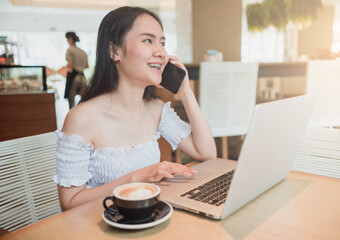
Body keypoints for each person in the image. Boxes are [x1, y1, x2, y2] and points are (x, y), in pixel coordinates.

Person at [53, 6, 217, 211]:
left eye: (162, 42)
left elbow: (207, 153)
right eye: (148, 40)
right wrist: (135, 178)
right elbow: (69, 203)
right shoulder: (81, 118)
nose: (161, 52)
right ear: (115, 51)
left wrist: (185, 92)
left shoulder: (156, 109)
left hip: (146, 220)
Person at [59, 32, 89, 109]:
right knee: (84, 101)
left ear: (70, 39)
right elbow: (86, 66)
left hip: (74, 78)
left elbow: (70, 65)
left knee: (71, 101)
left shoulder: (69, 50)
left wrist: (63, 68)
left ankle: (72, 117)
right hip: (82, 78)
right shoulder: (83, 52)